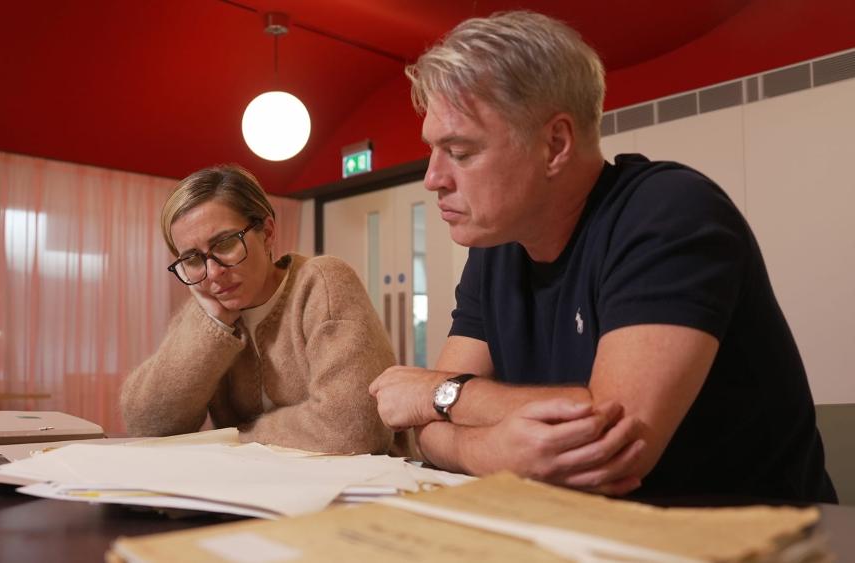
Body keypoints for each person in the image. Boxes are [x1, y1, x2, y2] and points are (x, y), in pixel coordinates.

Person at [370, 10, 837, 502]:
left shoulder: (668, 213)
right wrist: (490, 449)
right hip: (598, 534)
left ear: (555, 144)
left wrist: (440, 396)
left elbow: (612, 446)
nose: (433, 178)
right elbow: (426, 429)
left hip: (765, 542)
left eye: (460, 152)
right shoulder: (496, 249)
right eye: (433, 152)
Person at [121, 164, 395, 454]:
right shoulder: (204, 312)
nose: (212, 273)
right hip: (254, 488)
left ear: (267, 233)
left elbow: (354, 429)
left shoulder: (321, 283)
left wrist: (233, 437)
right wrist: (214, 324)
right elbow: (146, 424)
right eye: (192, 259)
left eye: (225, 243)